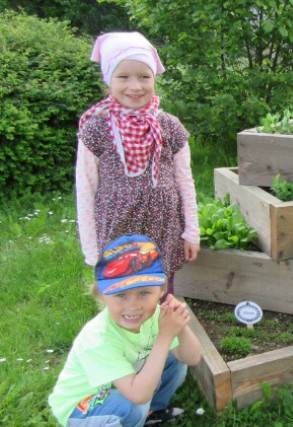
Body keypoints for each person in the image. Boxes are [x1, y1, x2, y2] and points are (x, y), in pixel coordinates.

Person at [76, 32, 200, 295]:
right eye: (123, 77)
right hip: (117, 229)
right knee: (123, 296)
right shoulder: (96, 127)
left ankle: (161, 334)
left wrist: (191, 232)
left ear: (154, 78)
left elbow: (185, 182)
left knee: (161, 292)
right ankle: (126, 335)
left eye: (144, 76)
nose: (135, 86)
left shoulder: (169, 126)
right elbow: (85, 189)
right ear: (108, 79)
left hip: (163, 228)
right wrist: (91, 249)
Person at [49, 235, 202, 426]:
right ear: (102, 295)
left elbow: (192, 358)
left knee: (175, 359)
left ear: (161, 290)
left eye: (144, 293)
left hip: (121, 387)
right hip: (82, 407)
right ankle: (136, 416)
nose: (133, 306)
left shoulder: (154, 315)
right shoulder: (98, 338)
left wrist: (180, 327)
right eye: (121, 294)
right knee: (133, 406)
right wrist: (165, 337)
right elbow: (138, 396)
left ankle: (152, 413)